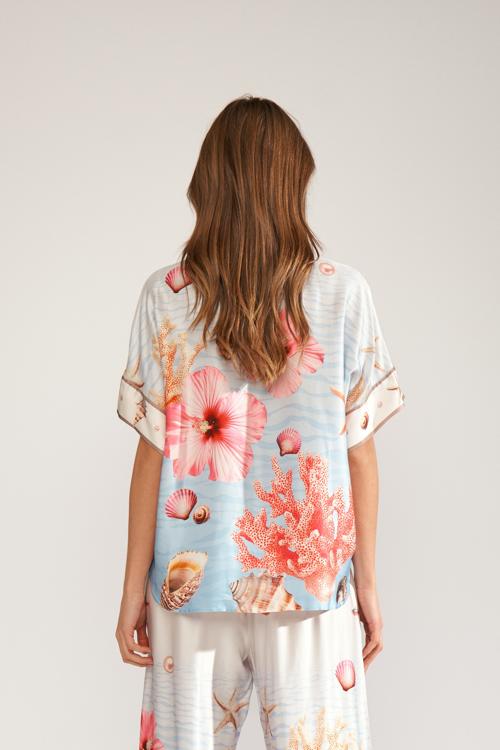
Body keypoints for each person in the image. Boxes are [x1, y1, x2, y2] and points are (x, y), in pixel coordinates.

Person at [115, 95, 405, 750]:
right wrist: (366, 583)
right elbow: (359, 452)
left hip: (191, 589)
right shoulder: (342, 292)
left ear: (207, 185)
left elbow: (152, 453)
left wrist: (133, 587)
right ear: (293, 183)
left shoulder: (167, 295)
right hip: (311, 594)